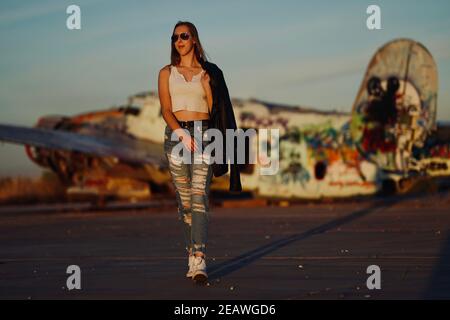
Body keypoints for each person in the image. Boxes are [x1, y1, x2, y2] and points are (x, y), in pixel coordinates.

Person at [158, 21, 214, 283]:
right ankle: (191, 254)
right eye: (174, 37)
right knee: (186, 203)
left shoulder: (208, 72)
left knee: (199, 196)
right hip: (176, 136)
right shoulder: (167, 72)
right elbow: (166, 109)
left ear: (194, 39)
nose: (178, 41)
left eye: (184, 36)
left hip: (204, 135)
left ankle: (200, 257)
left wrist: (206, 87)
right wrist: (180, 132)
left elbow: (216, 110)